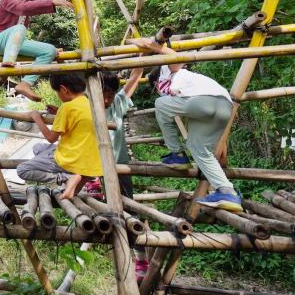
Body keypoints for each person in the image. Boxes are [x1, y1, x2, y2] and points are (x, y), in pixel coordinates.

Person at [133, 36, 243, 212]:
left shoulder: (168, 70)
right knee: (198, 147)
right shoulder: (192, 81)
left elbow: (174, 56)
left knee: (160, 104)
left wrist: (148, 45)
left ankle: (176, 154)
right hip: (225, 107)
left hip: (202, 102)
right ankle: (227, 191)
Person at [85, 71, 150, 279]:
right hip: (93, 169)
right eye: (103, 94)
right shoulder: (84, 107)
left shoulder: (117, 104)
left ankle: (141, 259)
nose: (106, 99)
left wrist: (142, 59)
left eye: (110, 95)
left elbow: (133, 80)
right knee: (101, 210)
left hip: (118, 167)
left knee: (129, 209)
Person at [16, 73, 102, 199]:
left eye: (57, 92)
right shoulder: (89, 103)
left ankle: (66, 178)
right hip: (87, 159)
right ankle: (77, 178)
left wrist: (36, 117)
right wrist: (58, 112)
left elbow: (51, 138)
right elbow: (78, 118)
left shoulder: (67, 107)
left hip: (71, 158)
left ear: (64, 89)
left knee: (22, 170)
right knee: (37, 147)